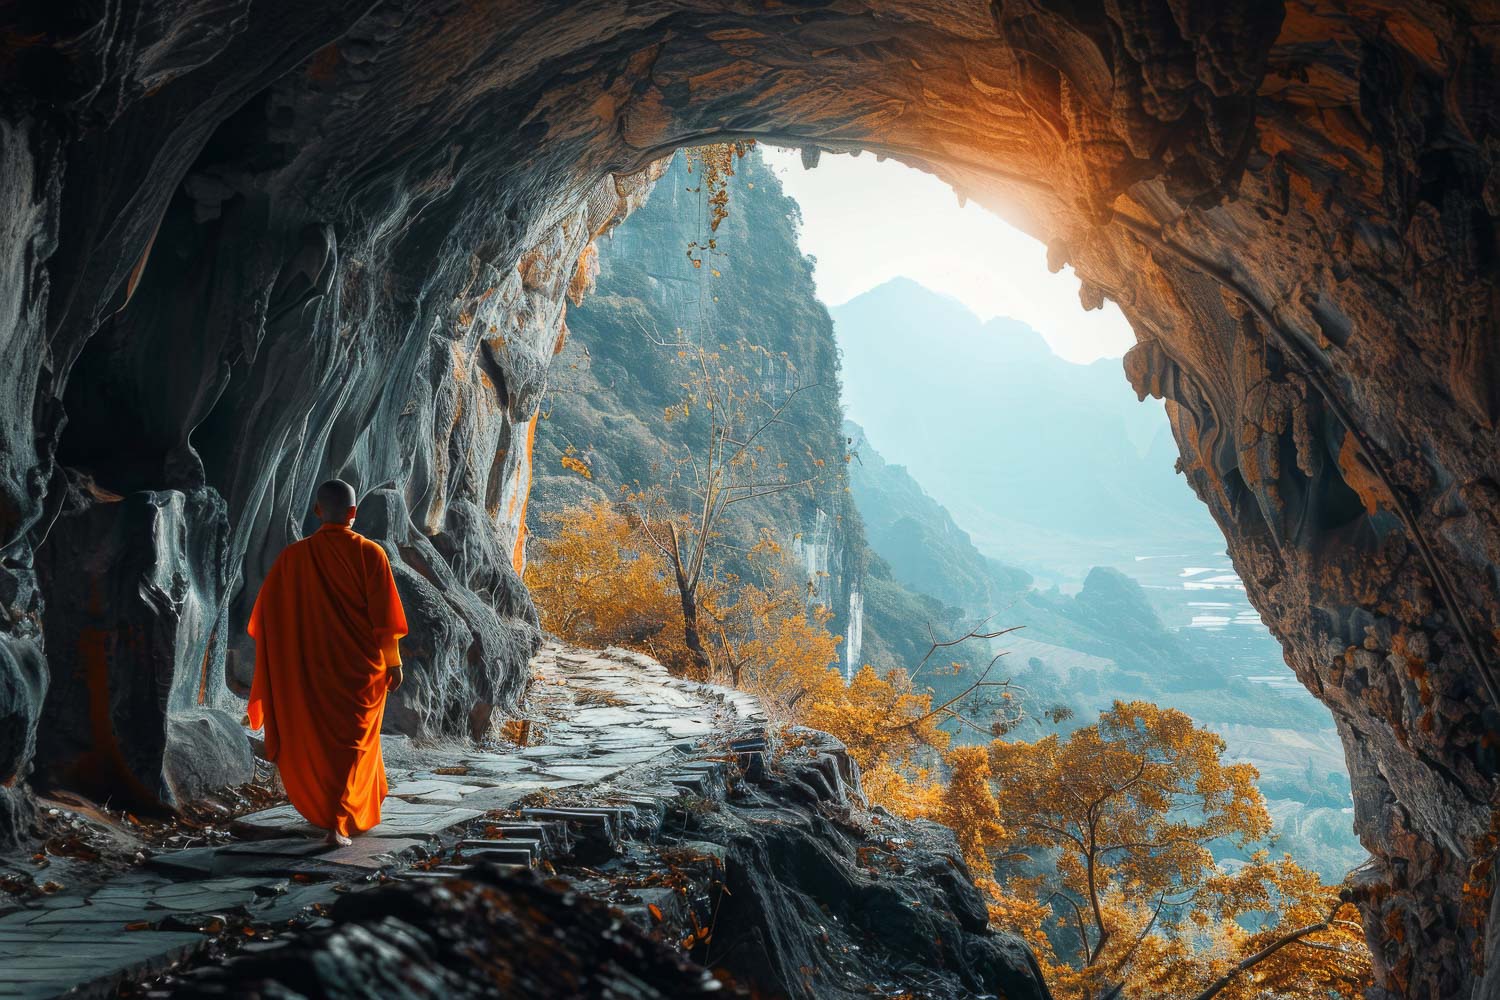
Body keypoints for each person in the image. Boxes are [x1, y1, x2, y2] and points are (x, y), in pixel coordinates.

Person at [247, 479, 408, 846]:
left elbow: (268, 618)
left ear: (317, 510)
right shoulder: (371, 554)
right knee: (353, 742)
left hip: (309, 670)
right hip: (360, 671)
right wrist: (393, 662)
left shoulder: (292, 557)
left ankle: (339, 812)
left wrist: (287, 661)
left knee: (319, 740)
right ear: (354, 513)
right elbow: (385, 620)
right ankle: (337, 821)